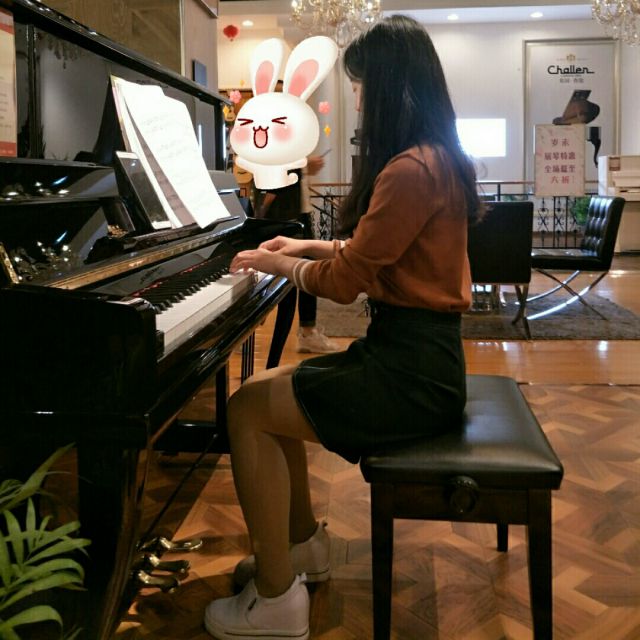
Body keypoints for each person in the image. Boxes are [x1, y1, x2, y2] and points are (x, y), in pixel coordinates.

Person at [203, 15, 484, 640]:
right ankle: (301, 549)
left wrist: (277, 263)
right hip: (417, 360)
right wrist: (302, 247)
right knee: (267, 394)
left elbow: (344, 281)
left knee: (247, 411)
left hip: (409, 377)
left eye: (360, 87)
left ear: (389, 88)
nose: (357, 100)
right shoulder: (435, 160)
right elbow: (373, 252)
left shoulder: (410, 169)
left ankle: (276, 602)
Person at [253, 154, 341, 354]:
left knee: (306, 270)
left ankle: (308, 332)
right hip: (285, 214)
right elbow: (273, 166)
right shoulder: (278, 144)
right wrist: (303, 165)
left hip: (297, 212)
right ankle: (304, 334)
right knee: (289, 279)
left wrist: (304, 167)